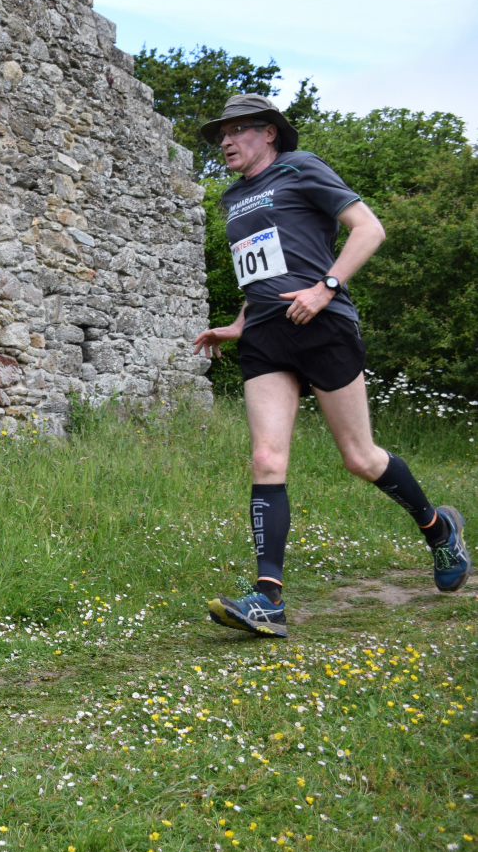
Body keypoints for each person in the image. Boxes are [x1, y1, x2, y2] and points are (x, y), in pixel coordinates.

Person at [191, 94, 468, 638]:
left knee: (360, 458)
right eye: (221, 133)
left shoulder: (301, 167)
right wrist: (240, 323)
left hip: (321, 324)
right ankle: (269, 600)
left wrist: (326, 288)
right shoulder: (234, 197)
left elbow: (369, 229)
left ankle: (439, 530)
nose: (226, 140)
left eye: (238, 129)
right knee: (266, 458)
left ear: (269, 132)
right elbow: (262, 270)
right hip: (266, 334)